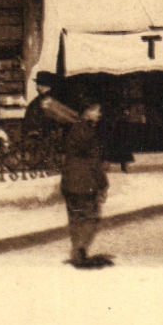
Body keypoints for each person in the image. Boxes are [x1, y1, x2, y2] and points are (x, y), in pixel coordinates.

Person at [60, 98, 112, 268]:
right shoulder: (89, 134)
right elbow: (94, 163)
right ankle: (81, 248)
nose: (100, 114)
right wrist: (103, 185)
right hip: (85, 182)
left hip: (69, 182)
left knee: (75, 218)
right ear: (87, 112)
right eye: (97, 110)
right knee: (92, 217)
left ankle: (76, 249)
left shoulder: (73, 129)